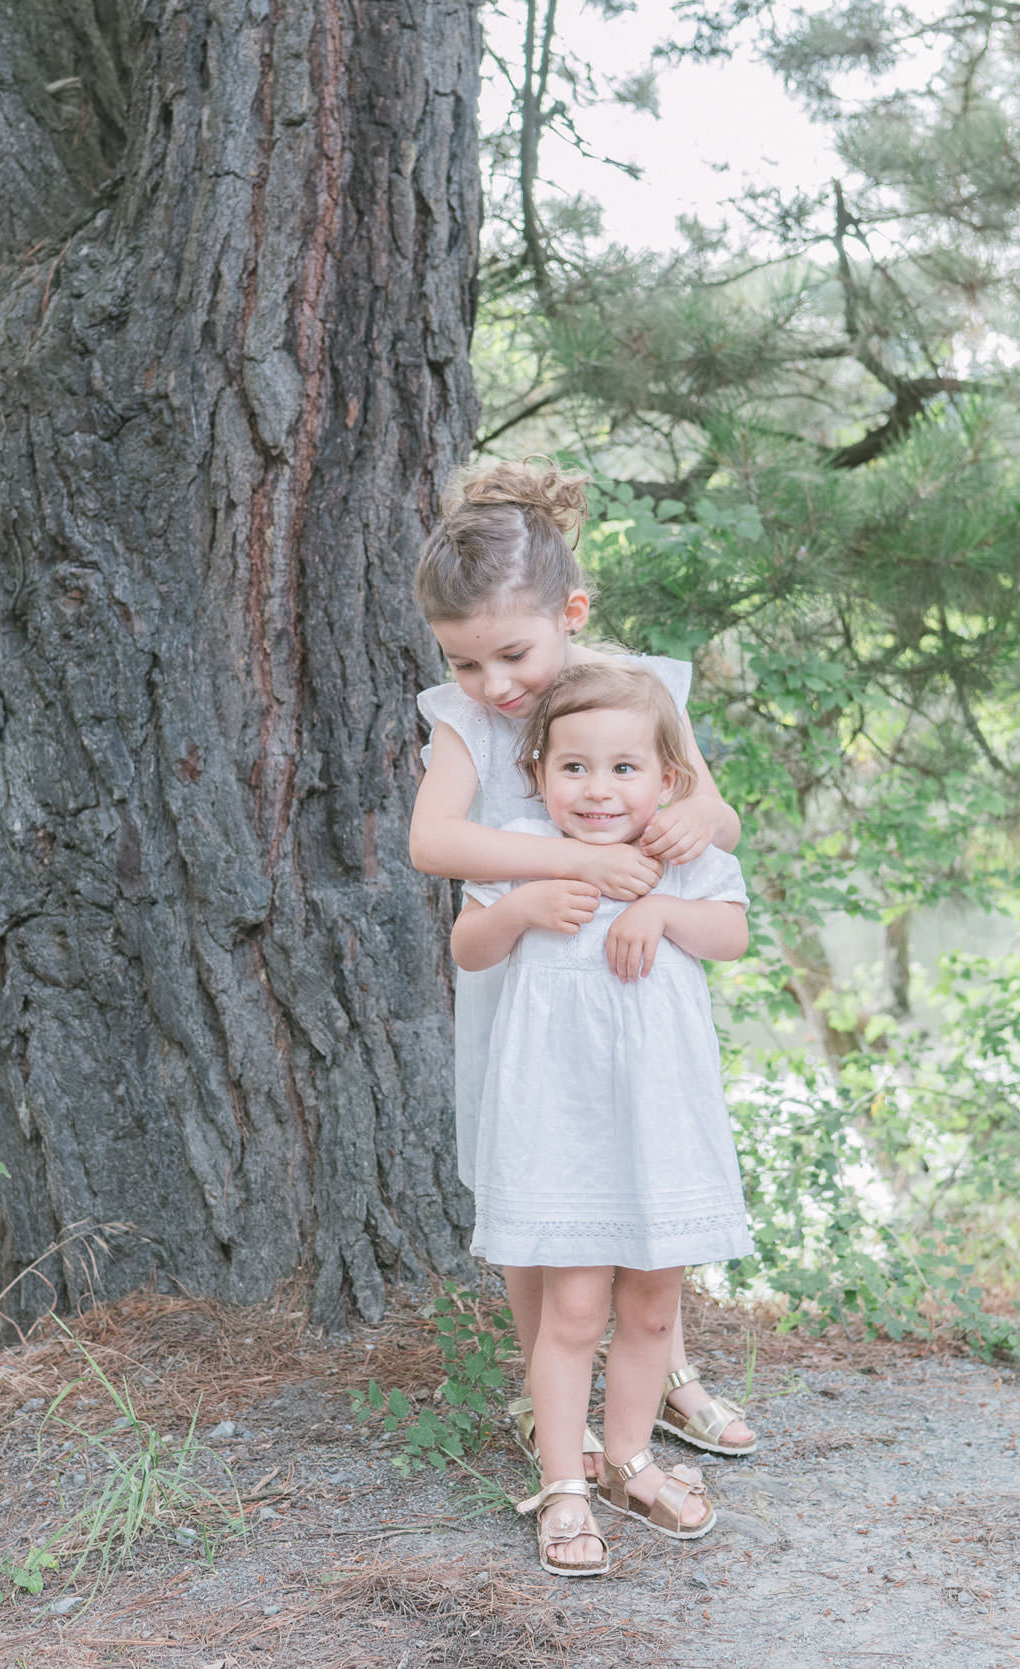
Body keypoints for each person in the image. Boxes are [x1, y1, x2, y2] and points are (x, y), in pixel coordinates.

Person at [407, 459, 758, 1473]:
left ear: (570, 611)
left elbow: (713, 813)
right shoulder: (466, 723)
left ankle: (670, 1375)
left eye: (510, 655)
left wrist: (703, 816)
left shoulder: (634, 694)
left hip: (629, 981)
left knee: (638, 1168)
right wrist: (571, 860)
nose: (495, 685)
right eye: (465, 663)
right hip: (522, 977)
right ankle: (543, 1393)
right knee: (540, 1179)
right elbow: (436, 844)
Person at [449, 660, 755, 1574]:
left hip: (660, 1118)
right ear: (538, 773)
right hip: (565, 1119)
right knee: (574, 1307)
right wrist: (525, 911)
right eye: (573, 767)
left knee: (654, 1305)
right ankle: (564, 1483)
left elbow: (732, 935)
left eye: (624, 768)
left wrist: (660, 910)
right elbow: (469, 948)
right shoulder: (521, 847)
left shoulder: (687, 856)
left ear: (668, 778)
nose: (597, 789)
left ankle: (628, 1460)